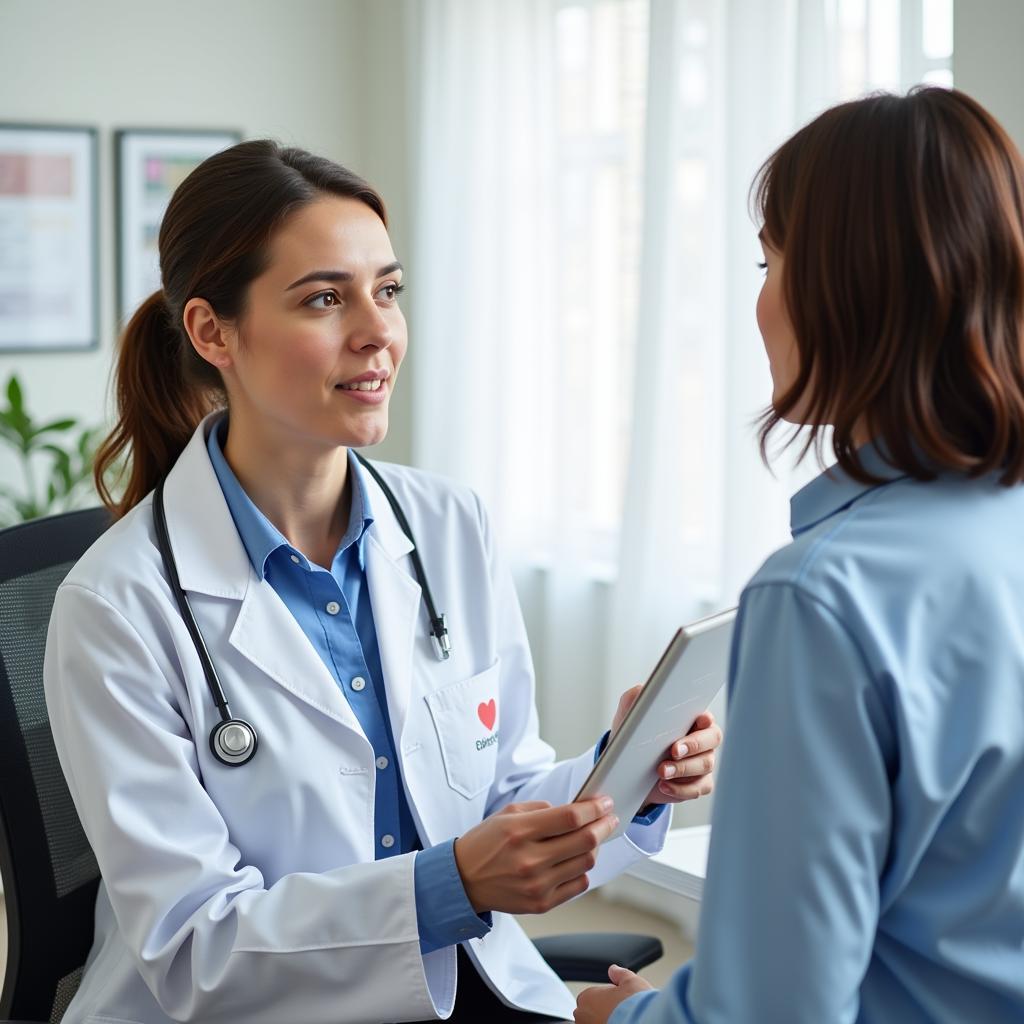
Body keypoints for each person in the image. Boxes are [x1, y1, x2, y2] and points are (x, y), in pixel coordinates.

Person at [42, 140, 723, 1024]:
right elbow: (195, 948)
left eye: (388, 290)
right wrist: (448, 883)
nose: (377, 331)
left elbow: (500, 796)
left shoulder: (447, 525)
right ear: (214, 332)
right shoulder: (117, 606)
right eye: (325, 298)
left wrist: (622, 776)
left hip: (463, 982)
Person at [575, 87, 1024, 1024]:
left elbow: (769, 1013)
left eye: (769, 260)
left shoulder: (824, 596)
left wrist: (629, 1020)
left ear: (844, 284)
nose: (762, 299)